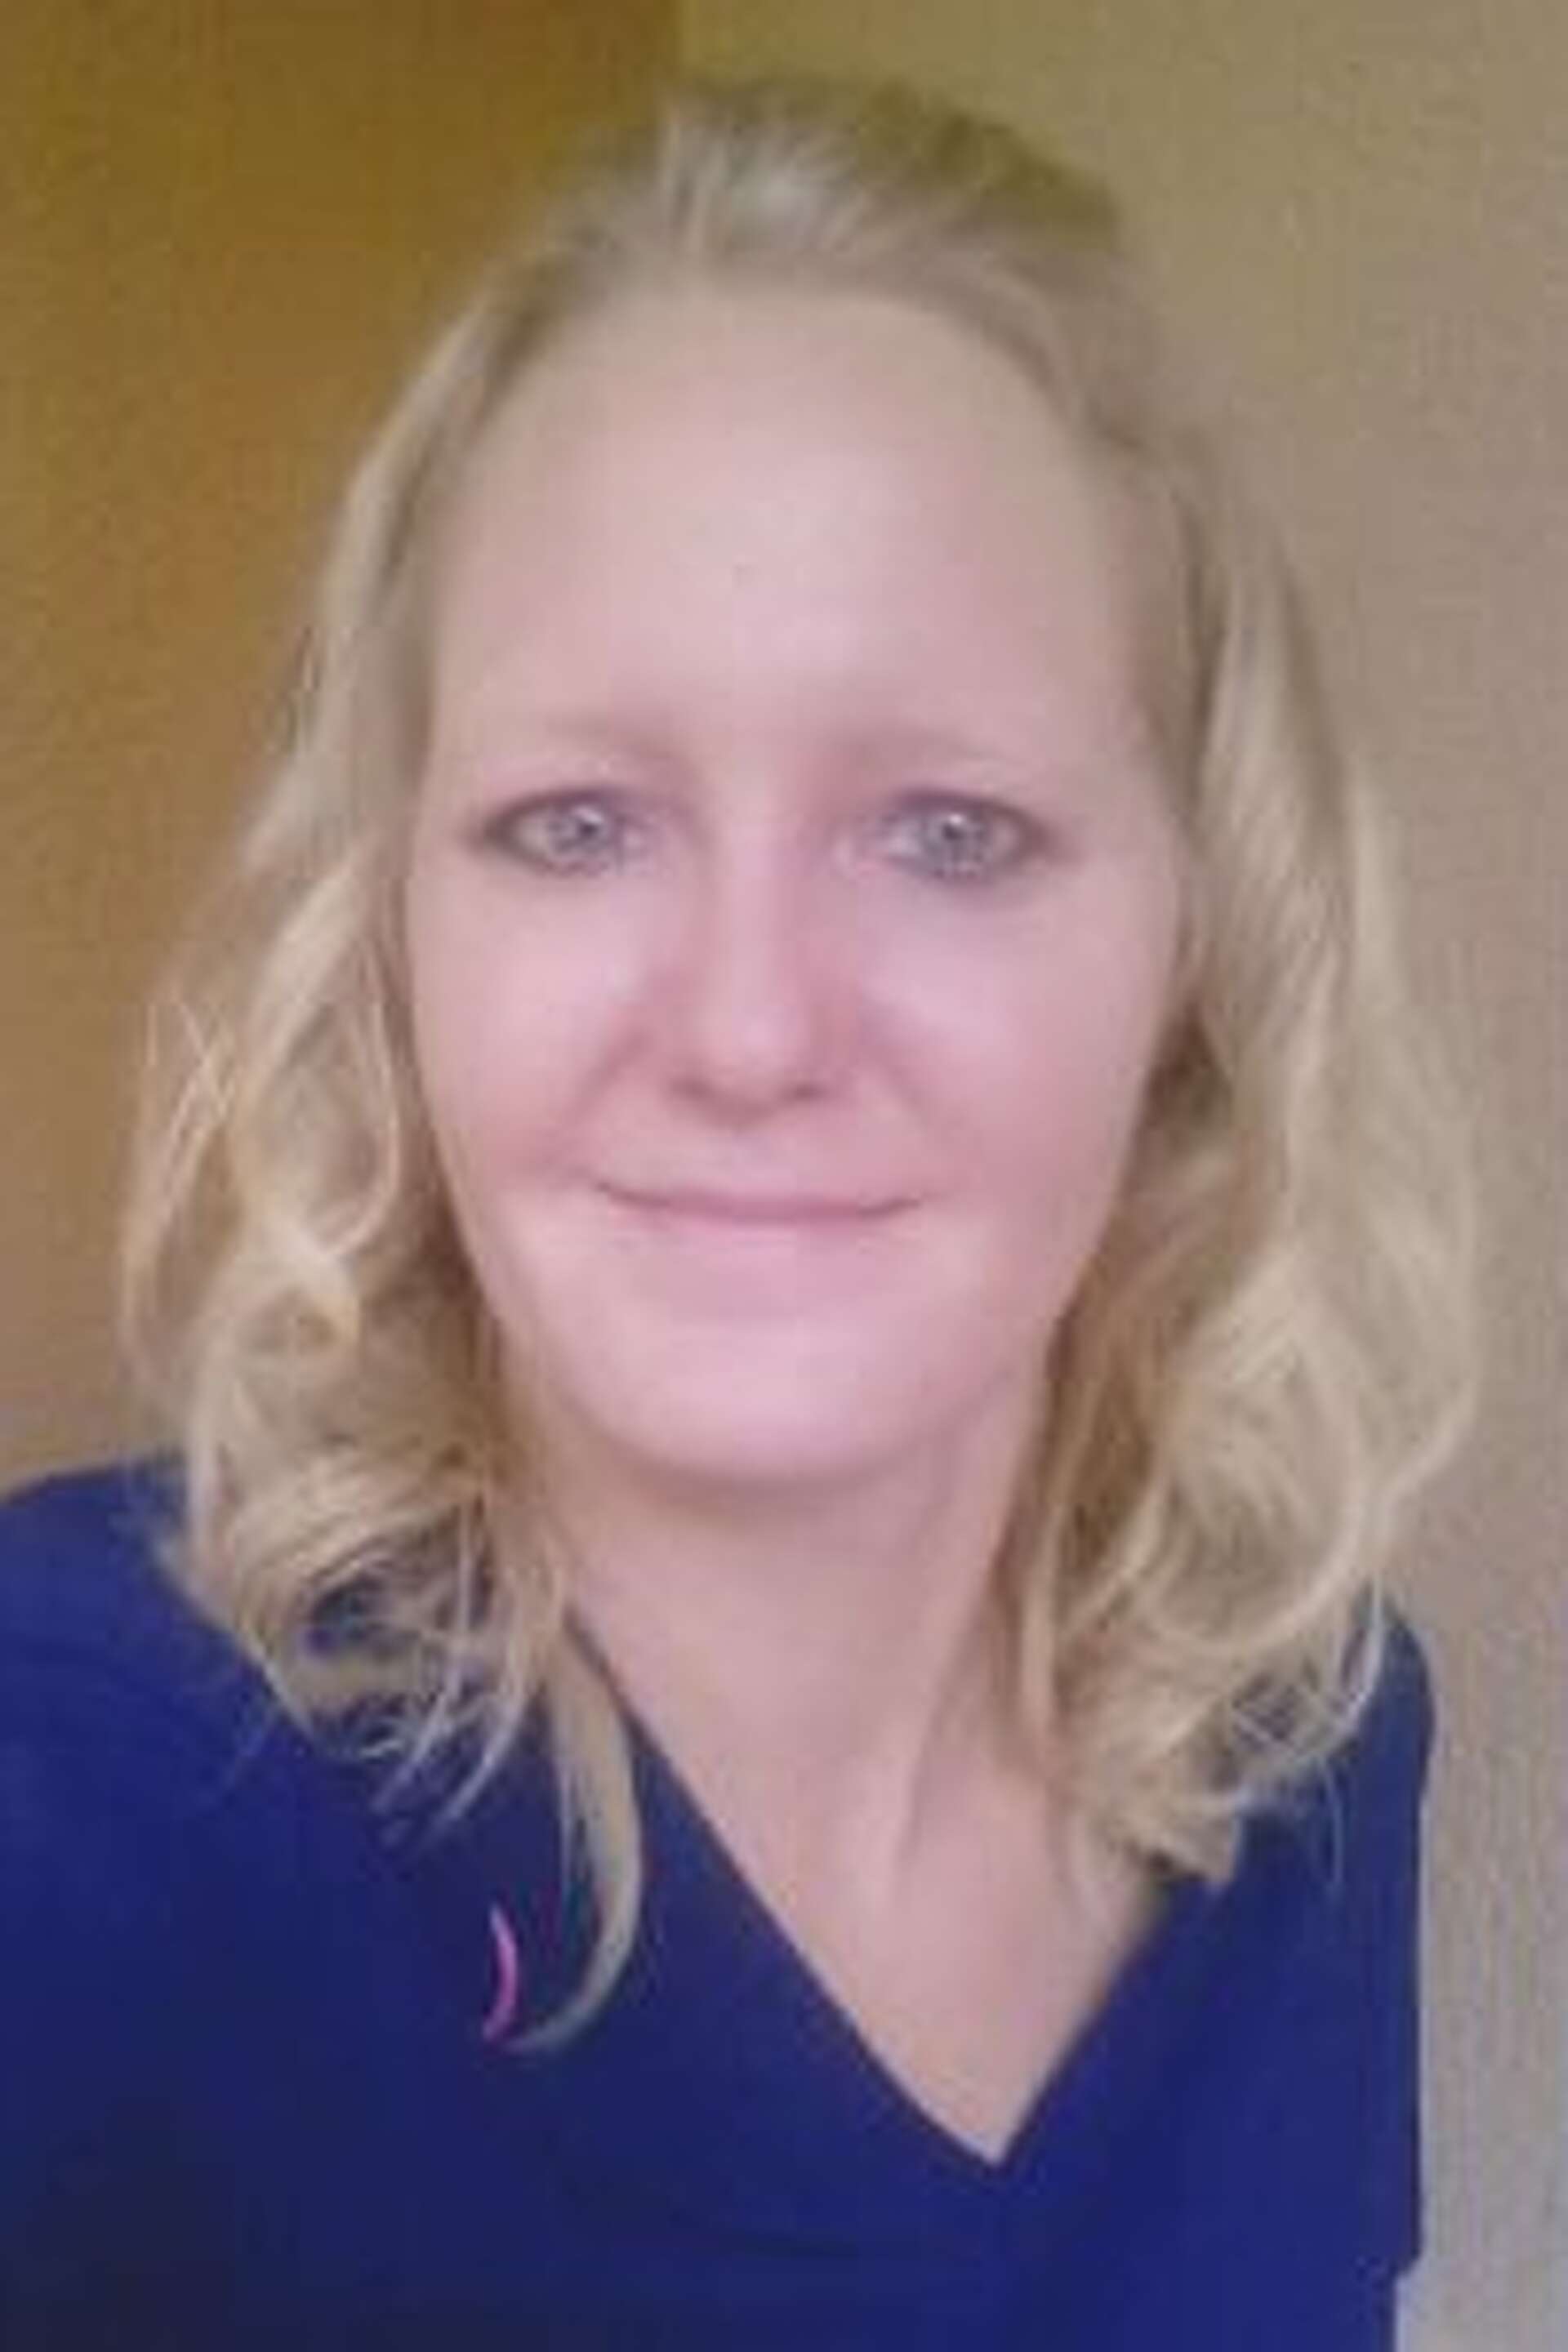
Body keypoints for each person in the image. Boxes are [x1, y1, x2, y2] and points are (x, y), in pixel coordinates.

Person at [0, 74, 1472, 2350]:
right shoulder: (87, 1789)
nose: (751, 1027)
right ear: (391, 932)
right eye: (577, 823)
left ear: (1203, 941)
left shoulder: (1316, 1754)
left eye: (951, 831)